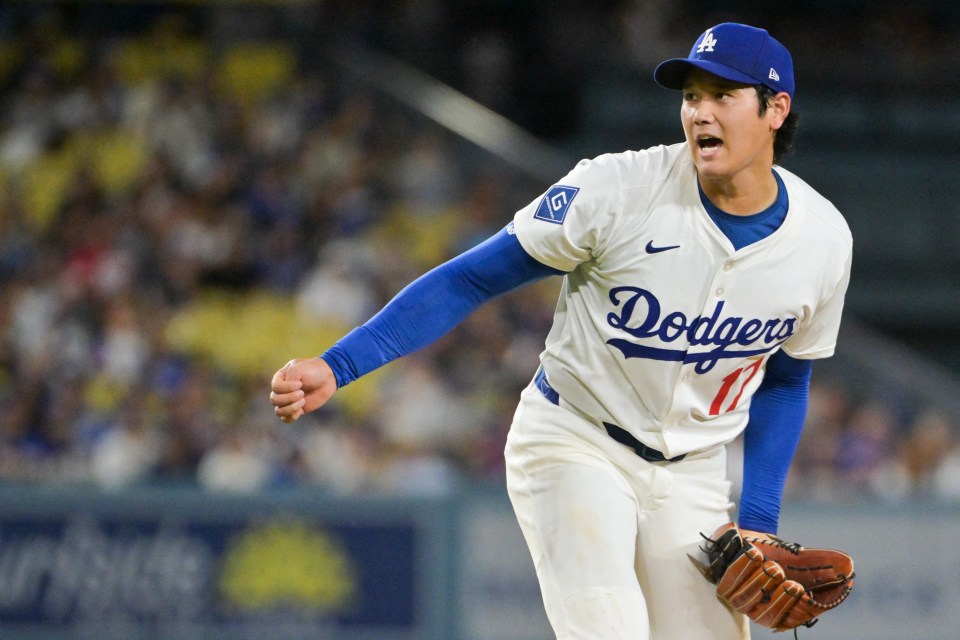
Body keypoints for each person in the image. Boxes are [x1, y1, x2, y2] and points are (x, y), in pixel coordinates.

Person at [270, 22, 852, 640]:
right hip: (576, 439)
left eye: (723, 95)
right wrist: (341, 364)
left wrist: (759, 520)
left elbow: (785, 381)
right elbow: (471, 278)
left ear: (775, 109)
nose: (699, 113)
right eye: (691, 96)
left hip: (693, 472)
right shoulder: (618, 189)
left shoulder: (822, 241)